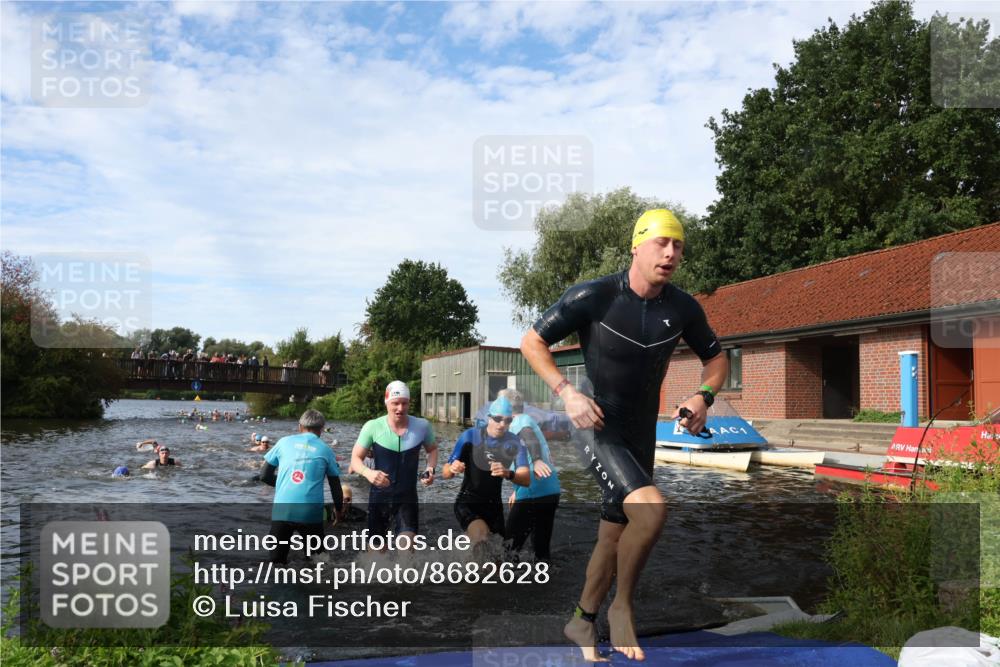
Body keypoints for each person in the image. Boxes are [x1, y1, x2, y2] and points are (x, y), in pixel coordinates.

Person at [520, 208, 728, 662]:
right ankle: (621, 608)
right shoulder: (593, 296)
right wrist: (567, 393)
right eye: (661, 243)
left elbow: (716, 360)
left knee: (614, 535)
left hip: (640, 434)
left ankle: (581, 620)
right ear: (636, 246)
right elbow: (532, 342)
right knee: (651, 513)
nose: (670, 253)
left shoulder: (683, 308)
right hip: (597, 426)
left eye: (678, 246)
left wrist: (703, 396)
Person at [350, 381, 437, 547]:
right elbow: (355, 459)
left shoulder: (422, 426)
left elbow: (432, 450)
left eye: (404, 403)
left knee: (406, 550)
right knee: (377, 553)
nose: (400, 408)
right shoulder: (373, 427)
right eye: (395, 403)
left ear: (409, 403)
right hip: (379, 498)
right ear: (387, 402)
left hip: (407, 498)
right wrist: (368, 473)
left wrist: (430, 469)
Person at [258, 409, 344, 564]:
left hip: (282, 510)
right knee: (317, 562)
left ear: (299, 426)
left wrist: (284, 484)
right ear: (322, 429)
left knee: (277, 562)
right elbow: (335, 486)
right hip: (310, 512)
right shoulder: (326, 450)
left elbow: (264, 475)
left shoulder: (283, 442)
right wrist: (338, 511)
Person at [442, 396, 530, 545]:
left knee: (499, 555)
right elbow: (445, 473)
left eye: (507, 420)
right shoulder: (470, 436)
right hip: (468, 503)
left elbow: (526, 479)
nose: (502, 424)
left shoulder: (514, 442)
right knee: (481, 536)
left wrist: (508, 473)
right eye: (498, 419)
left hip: (494, 507)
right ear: (489, 418)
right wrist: (452, 468)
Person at [497, 388, 561, 562]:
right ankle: (545, 576)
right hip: (551, 490)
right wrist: (516, 490)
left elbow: (528, 436)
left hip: (533, 490)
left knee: (508, 549)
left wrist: (537, 459)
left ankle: (506, 578)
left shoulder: (518, 422)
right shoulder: (528, 420)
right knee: (541, 550)